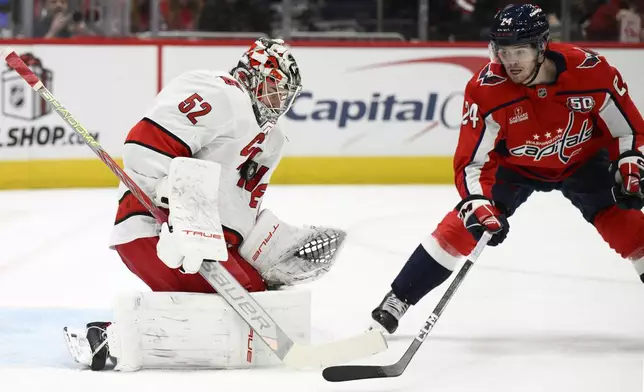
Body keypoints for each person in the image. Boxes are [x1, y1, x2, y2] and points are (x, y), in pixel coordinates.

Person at [63, 38, 345, 371]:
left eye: (285, 92)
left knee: (259, 294)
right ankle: (111, 338)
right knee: (244, 302)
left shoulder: (273, 139)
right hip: (155, 227)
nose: (279, 98)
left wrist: (266, 251)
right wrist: (177, 211)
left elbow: (241, 209)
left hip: (210, 245)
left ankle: (116, 335)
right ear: (252, 74)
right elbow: (144, 145)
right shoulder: (219, 92)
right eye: (274, 86)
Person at [370, 3, 644, 335]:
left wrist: (629, 164)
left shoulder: (593, 72)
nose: (510, 61)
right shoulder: (485, 89)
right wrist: (478, 203)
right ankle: (398, 298)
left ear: (542, 46)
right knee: (462, 227)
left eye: (520, 50)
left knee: (631, 229)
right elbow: (472, 162)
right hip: (514, 168)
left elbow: (627, 129)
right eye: (504, 51)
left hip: (583, 162)